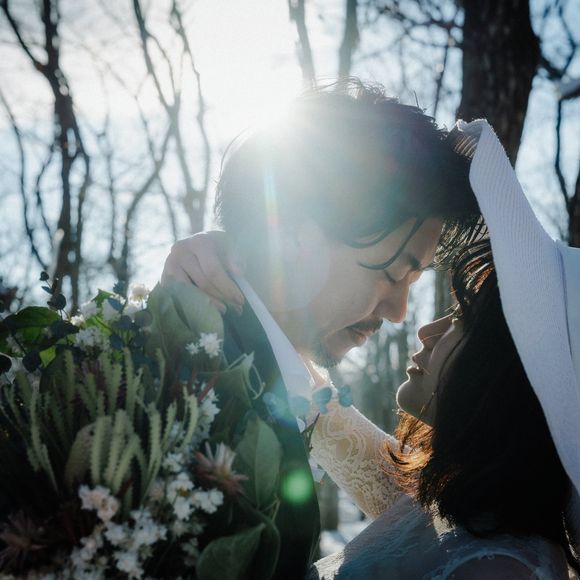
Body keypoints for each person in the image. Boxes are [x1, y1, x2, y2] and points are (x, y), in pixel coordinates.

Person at [163, 120, 580, 577]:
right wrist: (241, 259)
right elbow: (317, 406)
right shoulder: (449, 502)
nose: (416, 324)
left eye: (461, 320)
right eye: (394, 272)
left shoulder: (502, 566)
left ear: (512, 374)